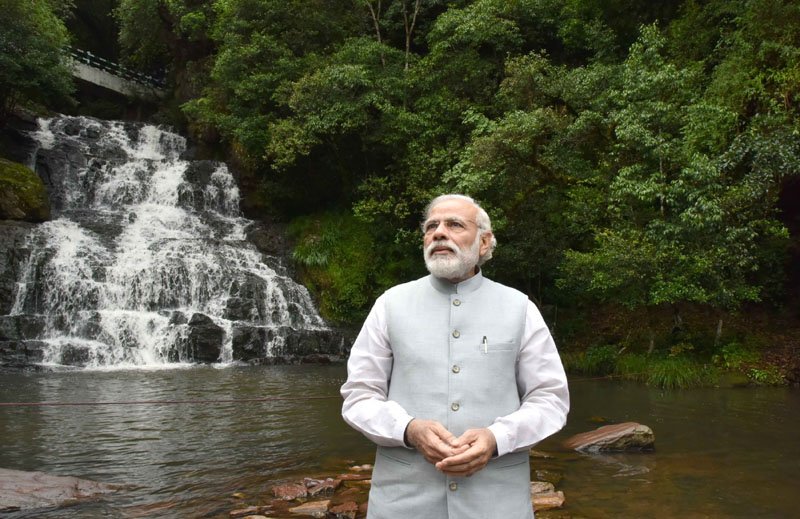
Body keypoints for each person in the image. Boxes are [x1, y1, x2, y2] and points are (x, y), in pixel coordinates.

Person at [340, 194, 569, 518]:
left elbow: (551, 399)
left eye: (455, 224)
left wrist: (497, 438)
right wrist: (408, 429)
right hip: (402, 505)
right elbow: (358, 396)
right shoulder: (389, 305)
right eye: (431, 226)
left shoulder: (520, 308)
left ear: (485, 242)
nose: (439, 232)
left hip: (497, 505)